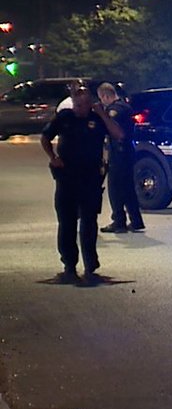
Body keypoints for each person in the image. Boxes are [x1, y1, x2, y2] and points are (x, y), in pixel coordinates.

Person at [40, 85, 124, 285]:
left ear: (91, 103)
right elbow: (45, 137)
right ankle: (69, 265)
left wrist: (102, 114)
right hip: (67, 177)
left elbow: (119, 134)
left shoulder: (96, 119)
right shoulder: (64, 117)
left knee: (89, 223)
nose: (81, 108)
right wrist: (53, 157)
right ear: (72, 103)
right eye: (78, 104)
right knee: (67, 222)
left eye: (86, 103)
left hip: (90, 179)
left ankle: (90, 265)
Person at [97, 82, 145, 234]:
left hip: (119, 153)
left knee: (115, 189)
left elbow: (113, 130)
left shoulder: (114, 110)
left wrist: (102, 114)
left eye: (102, 98)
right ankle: (136, 220)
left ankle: (119, 221)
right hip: (127, 151)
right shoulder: (125, 106)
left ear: (105, 96)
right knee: (128, 188)